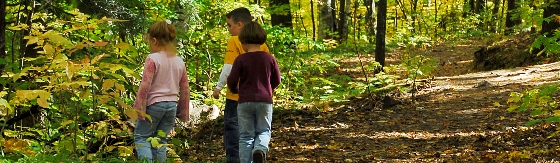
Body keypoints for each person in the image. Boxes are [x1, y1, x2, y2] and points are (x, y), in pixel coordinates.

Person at [212, 7, 269, 163]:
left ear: (239, 25)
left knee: (234, 132)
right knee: (257, 131)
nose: (229, 29)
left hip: (236, 96)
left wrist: (219, 87)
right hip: (260, 97)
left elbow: (229, 68)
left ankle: (236, 160)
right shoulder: (262, 44)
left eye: (229, 25)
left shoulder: (234, 40)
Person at [133, 20, 190, 162]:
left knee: (142, 137)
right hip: (171, 106)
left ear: (154, 40)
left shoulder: (153, 59)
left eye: (149, 42)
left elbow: (145, 85)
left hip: (154, 106)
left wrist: (139, 108)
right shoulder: (179, 61)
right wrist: (183, 111)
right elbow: (185, 88)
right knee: (160, 141)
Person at [227, 21, 281, 163]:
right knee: (263, 131)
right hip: (264, 101)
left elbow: (232, 80)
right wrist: (269, 90)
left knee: (245, 136)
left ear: (243, 41)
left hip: (244, 101)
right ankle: (260, 149)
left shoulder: (241, 59)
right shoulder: (269, 58)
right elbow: (277, 79)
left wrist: (235, 90)